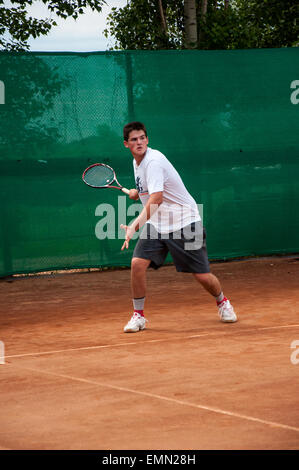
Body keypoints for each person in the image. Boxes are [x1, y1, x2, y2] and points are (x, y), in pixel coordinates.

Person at [120, 121, 237, 333]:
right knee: (137, 264)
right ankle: (139, 316)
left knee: (201, 275)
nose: (139, 143)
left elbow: (156, 198)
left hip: (185, 222)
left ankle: (222, 302)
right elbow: (149, 190)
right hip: (157, 224)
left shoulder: (154, 160)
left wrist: (133, 227)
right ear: (126, 144)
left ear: (147, 139)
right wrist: (137, 192)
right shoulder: (137, 163)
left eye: (142, 138)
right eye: (134, 140)